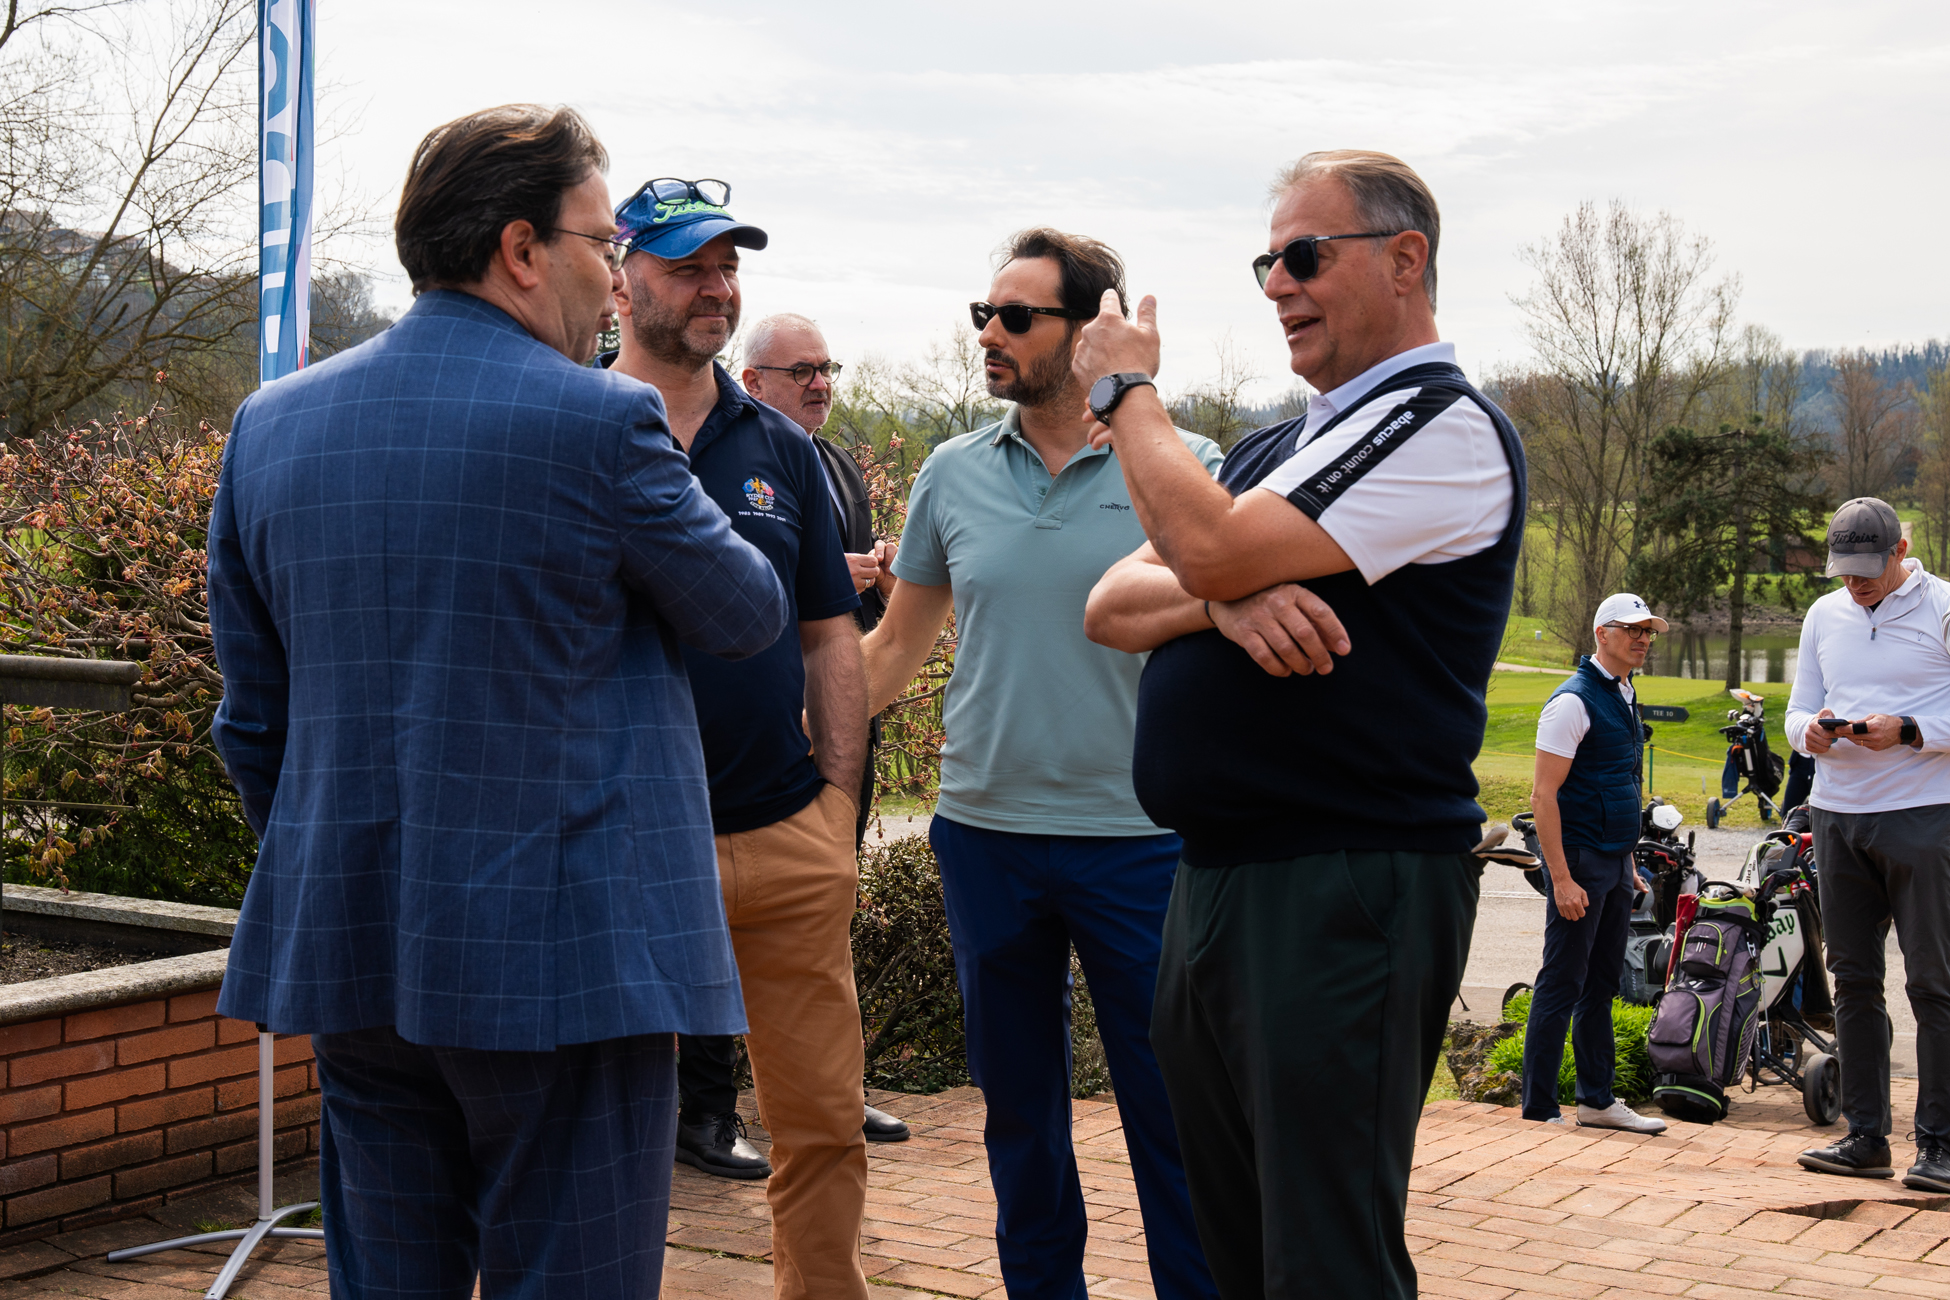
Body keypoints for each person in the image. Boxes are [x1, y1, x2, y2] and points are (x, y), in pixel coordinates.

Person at [207, 106, 788, 1300]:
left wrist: (347, 862)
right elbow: (747, 612)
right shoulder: (601, 419)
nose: (610, 281)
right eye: (599, 245)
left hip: (355, 949)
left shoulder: (270, 426)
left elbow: (253, 722)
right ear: (521, 249)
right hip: (569, 965)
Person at [1080, 150, 1523, 1298]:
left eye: (1306, 255)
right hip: (1219, 878)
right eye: (1267, 261)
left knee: (1327, 1258)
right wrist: (1222, 600)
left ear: (1406, 260)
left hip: (1344, 880)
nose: (1278, 283)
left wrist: (1127, 391)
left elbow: (1204, 541)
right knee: (1235, 1251)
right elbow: (1112, 603)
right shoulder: (1278, 447)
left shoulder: (1440, 424)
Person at [862, 228, 1220, 1300]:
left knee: (1174, 1114)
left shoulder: (1187, 466)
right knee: (1020, 1117)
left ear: (1088, 330)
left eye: (1016, 317)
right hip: (986, 837)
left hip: (1142, 842)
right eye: (984, 314)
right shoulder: (951, 473)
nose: (990, 334)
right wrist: (777, 733)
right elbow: (892, 652)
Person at [604, 177, 874, 1299]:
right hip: (617, 845)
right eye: (687, 267)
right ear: (621, 279)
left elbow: (830, 634)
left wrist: (837, 806)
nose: (716, 288)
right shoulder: (565, 422)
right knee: (597, 1141)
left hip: (780, 832)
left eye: (728, 267)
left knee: (823, 1126)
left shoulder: (783, 447)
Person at [1787, 498, 1950, 1194]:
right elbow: (1798, 706)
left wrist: (1910, 729)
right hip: (1837, 817)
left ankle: (1940, 1146)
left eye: (1866, 570)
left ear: (1901, 550)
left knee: (1933, 983)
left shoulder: (1943, 607)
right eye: (1844, 570)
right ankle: (1865, 1138)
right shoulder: (1824, 614)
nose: (1854, 583)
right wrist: (1807, 733)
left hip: (1926, 816)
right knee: (1852, 980)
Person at [1520, 594, 1668, 1133]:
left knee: (1602, 984)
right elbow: (1543, 796)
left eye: (1648, 631)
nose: (1643, 639)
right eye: (1632, 629)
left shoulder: (1625, 693)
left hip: (1612, 861)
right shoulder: (1572, 702)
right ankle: (1539, 1108)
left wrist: (1627, 861)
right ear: (1602, 633)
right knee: (1562, 981)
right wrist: (1560, 878)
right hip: (1578, 862)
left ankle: (1597, 1102)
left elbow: (1620, 781)